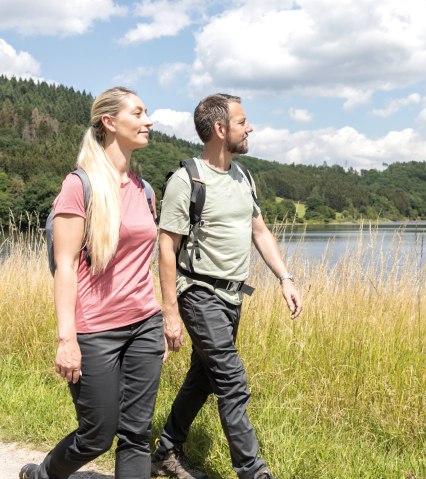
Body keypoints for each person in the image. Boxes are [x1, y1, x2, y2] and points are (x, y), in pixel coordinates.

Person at [152, 93, 303, 479]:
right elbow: (166, 248)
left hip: (233, 295)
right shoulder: (187, 181)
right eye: (242, 121)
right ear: (220, 129)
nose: (249, 127)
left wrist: (285, 278)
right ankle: (253, 472)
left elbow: (260, 230)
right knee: (232, 382)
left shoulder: (243, 175)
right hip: (198, 293)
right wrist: (170, 313)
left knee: (203, 379)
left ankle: (166, 450)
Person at [19, 87, 165, 479]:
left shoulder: (144, 188)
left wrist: (165, 320)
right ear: (109, 122)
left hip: (145, 325)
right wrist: (67, 339)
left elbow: (142, 262)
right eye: (139, 112)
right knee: (97, 434)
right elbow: (64, 265)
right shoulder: (78, 185)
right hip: (95, 330)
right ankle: (43, 474)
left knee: (136, 434)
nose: (148, 120)